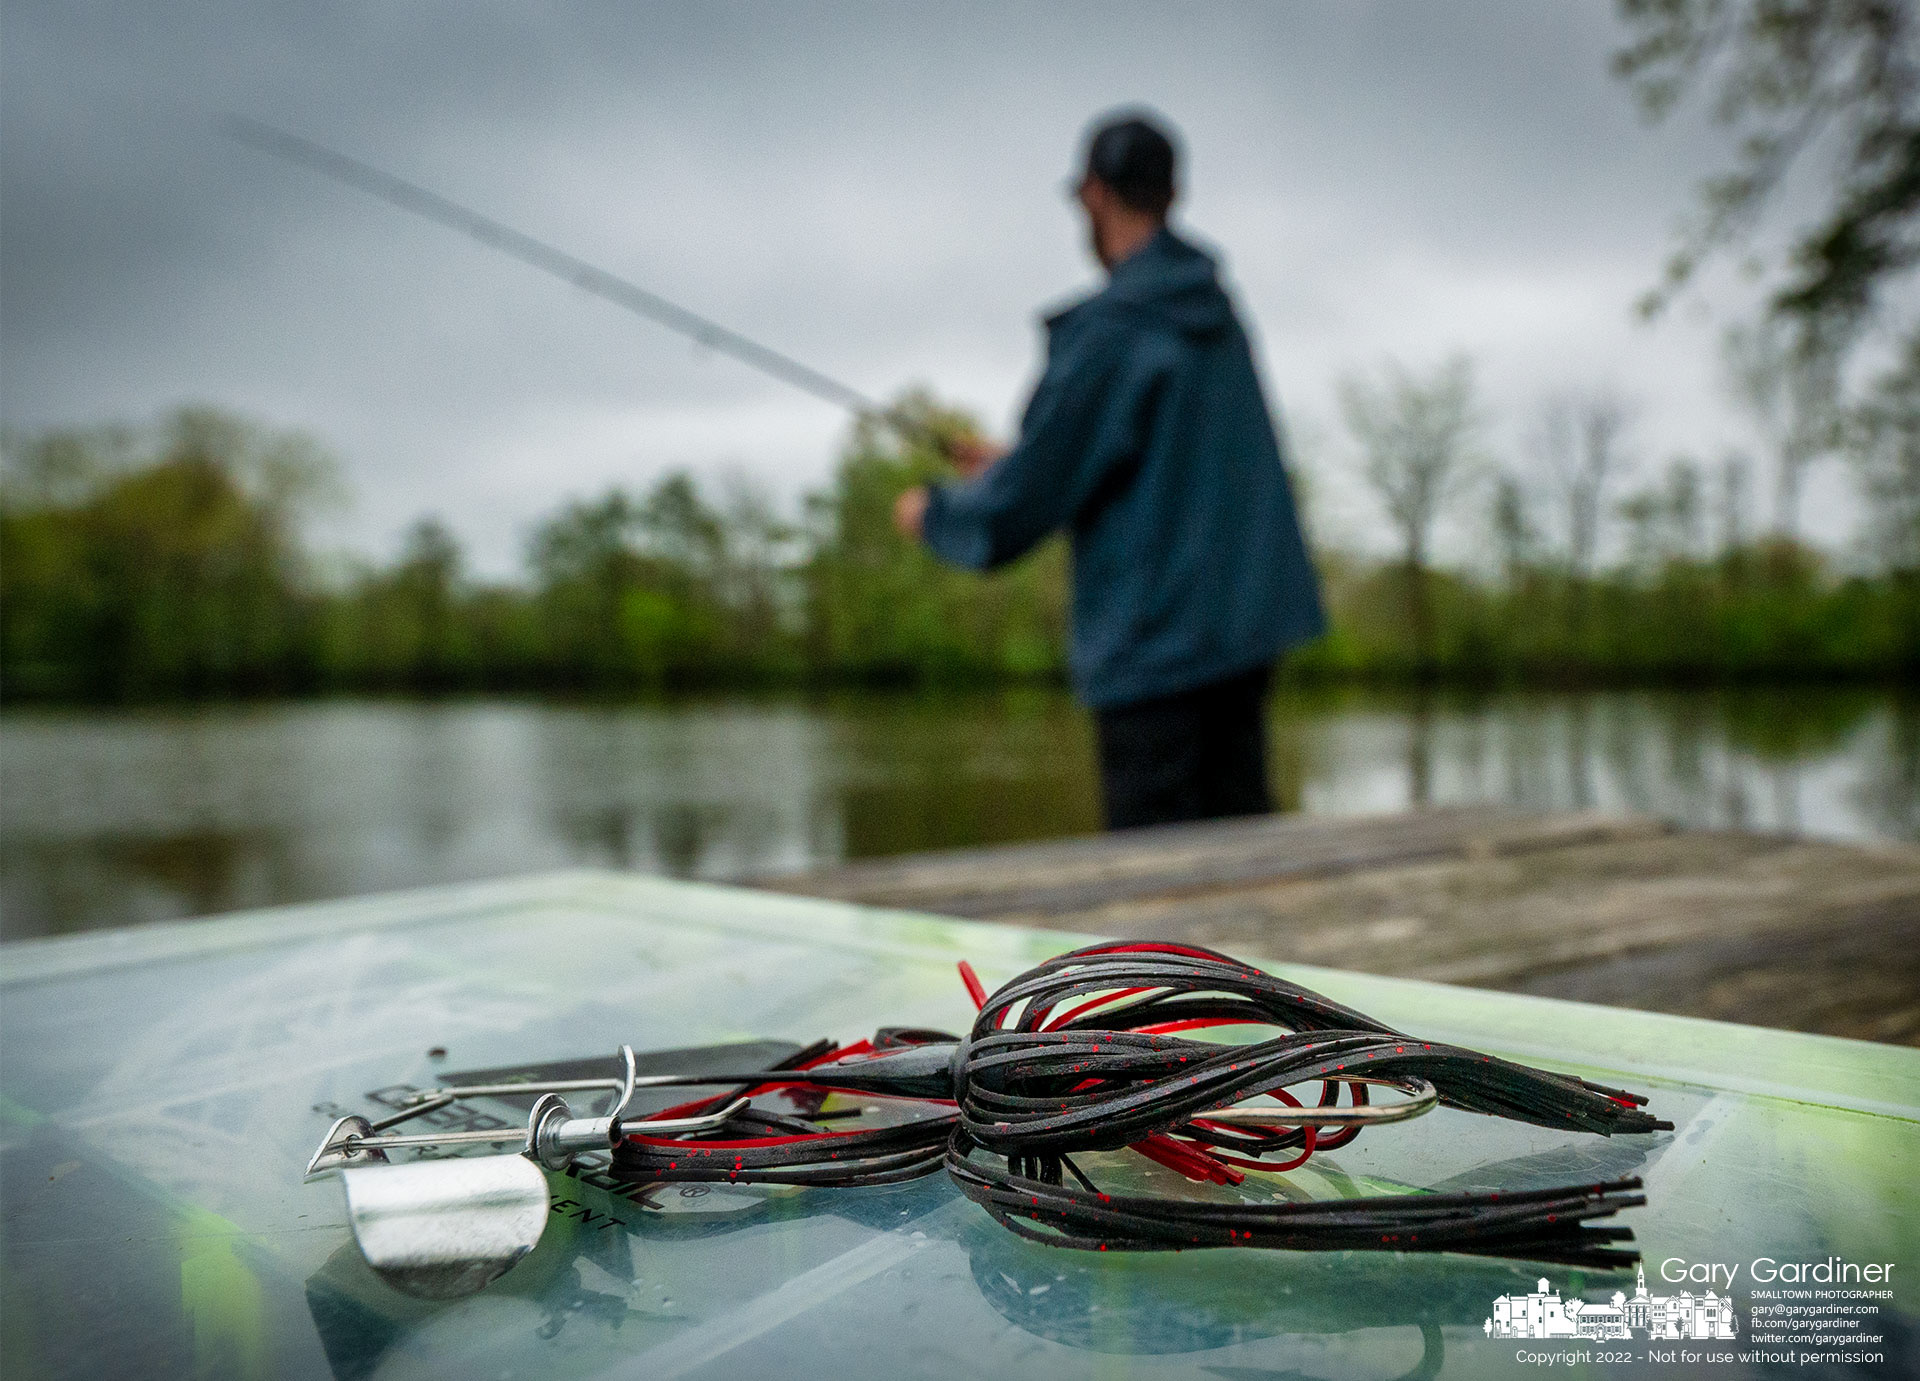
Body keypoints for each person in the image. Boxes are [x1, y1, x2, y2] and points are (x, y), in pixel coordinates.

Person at [892, 109, 1325, 830]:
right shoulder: (1211, 307)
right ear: (1173, 191)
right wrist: (1021, 458)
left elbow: (1025, 501)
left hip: (1154, 651)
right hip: (1242, 638)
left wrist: (933, 512)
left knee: (1159, 895)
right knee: (1243, 862)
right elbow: (1165, 456)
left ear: (1093, 193)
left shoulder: (1116, 328)